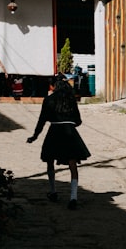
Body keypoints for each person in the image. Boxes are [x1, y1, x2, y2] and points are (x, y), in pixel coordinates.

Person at [27, 75, 91, 209]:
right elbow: (78, 120)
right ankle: (73, 197)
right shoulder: (70, 99)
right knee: (72, 162)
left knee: (50, 159)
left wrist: (35, 135)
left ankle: (53, 191)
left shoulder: (49, 100)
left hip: (54, 131)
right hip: (70, 131)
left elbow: (42, 120)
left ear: (52, 86)